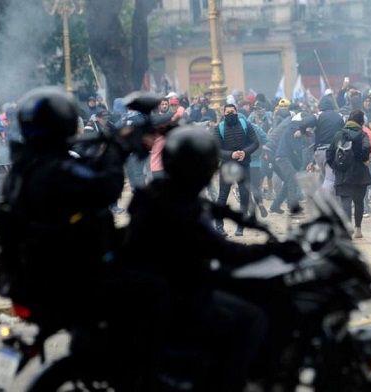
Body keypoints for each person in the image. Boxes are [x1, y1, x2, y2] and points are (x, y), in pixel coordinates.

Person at [124, 126, 294, 391]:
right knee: (252, 318)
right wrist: (271, 250)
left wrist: (244, 219)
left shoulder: (162, 191)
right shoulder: (179, 207)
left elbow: (211, 207)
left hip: (165, 282)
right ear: (198, 168)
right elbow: (224, 250)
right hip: (179, 290)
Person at [0, 86, 126, 321]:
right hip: (72, 273)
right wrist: (115, 151)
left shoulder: (22, 169)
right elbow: (107, 188)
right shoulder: (56, 170)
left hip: (33, 273)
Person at [214, 104, 260, 237]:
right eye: (227, 112)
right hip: (227, 166)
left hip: (244, 164)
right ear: (223, 114)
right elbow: (216, 149)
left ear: (236, 112)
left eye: (232, 112)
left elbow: (255, 143)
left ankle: (241, 226)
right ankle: (219, 226)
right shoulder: (219, 128)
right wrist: (231, 155)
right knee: (223, 196)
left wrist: (245, 152)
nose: (230, 114)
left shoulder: (246, 124)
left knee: (244, 195)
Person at [327, 110, 371, 238]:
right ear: (361, 122)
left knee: (345, 201)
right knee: (359, 202)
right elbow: (367, 149)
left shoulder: (338, 134)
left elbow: (329, 154)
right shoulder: (363, 134)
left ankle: (347, 227)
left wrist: (336, 166)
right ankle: (358, 230)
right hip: (360, 173)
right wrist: (363, 158)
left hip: (343, 173)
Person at [312, 93, 344, 195]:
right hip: (331, 152)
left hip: (318, 153)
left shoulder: (318, 116)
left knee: (324, 177)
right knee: (330, 180)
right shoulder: (339, 116)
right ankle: (318, 198)